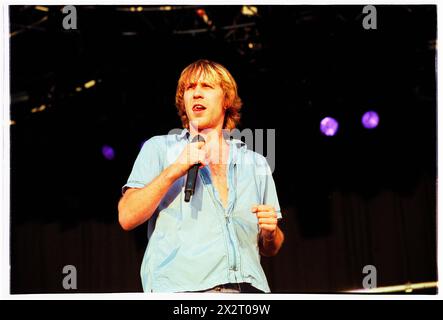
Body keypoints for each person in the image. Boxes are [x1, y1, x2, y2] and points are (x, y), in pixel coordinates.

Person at [118, 59, 284, 293]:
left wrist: (270, 234)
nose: (196, 93)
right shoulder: (159, 149)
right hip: (180, 290)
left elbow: (271, 246)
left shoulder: (255, 163)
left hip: (248, 291)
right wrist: (174, 170)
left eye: (206, 87)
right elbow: (127, 216)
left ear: (226, 100)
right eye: (189, 88)